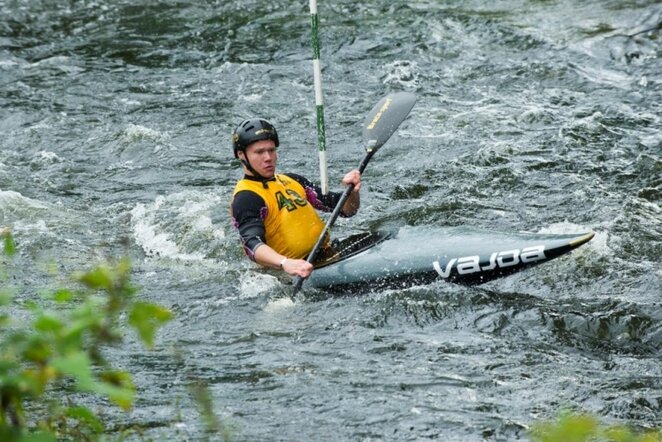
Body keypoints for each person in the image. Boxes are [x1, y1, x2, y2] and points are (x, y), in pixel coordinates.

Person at [230, 118, 362, 278]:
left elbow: (346, 210)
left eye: (271, 150)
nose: (268, 157)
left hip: (326, 256)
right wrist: (285, 263)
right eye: (259, 152)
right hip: (291, 273)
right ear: (241, 155)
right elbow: (251, 245)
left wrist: (352, 191)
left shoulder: (293, 181)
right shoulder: (246, 197)